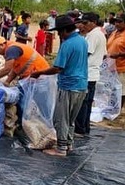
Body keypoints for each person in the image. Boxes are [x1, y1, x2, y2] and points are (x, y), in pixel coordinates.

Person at [30, 15, 88, 157]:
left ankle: (61, 148)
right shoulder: (82, 41)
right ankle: (68, 143)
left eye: (59, 32)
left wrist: (39, 73)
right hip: (81, 85)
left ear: (64, 31)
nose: (59, 35)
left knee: (61, 117)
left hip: (68, 85)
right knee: (71, 118)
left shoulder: (67, 44)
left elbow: (58, 68)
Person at [74, 13, 107, 135]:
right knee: (86, 103)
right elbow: (103, 54)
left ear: (93, 22)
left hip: (87, 74)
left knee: (82, 104)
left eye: (86, 23)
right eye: (82, 23)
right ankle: (85, 128)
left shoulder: (94, 35)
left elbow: (85, 53)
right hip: (92, 73)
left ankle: (80, 129)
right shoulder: (98, 34)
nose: (83, 25)